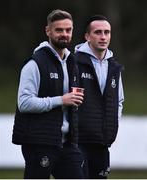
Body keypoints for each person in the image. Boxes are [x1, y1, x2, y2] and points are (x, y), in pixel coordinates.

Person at [12, 9, 84, 179]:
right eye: (59, 30)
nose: (64, 34)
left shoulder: (72, 62)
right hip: (39, 142)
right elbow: (24, 103)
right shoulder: (34, 63)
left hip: (67, 143)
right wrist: (61, 100)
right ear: (48, 31)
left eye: (68, 30)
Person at [75, 15, 124, 179]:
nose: (103, 37)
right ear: (87, 36)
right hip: (77, 141)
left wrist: (111, 125)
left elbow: (119, 101)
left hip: (102, 141)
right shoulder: (73, 62)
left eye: (107, 32)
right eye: (98, 32)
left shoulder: (114, 67)